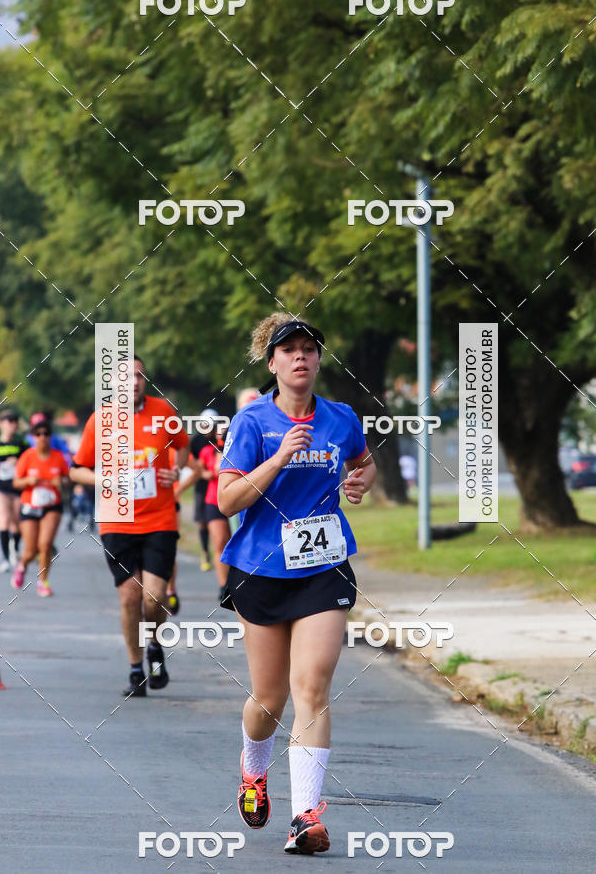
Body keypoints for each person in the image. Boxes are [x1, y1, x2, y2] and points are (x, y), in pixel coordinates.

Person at [217, 313, 376, 855]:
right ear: (273, 363)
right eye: (290, 350)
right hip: (261, 568)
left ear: (318, 360)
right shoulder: (251, 422)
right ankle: (253, 768)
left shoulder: (340, 417)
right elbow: (228, 500)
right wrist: (280, 458)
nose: (301, 357)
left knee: (312, 686)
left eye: (309, 349)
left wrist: (360, 481)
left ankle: (305, 817)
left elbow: (364, 461)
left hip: (323, 567)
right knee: (270, 698)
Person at [70, 356, 189, 697]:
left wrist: (176, 471)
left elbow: (183, 447)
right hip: (117, 521)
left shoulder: (164, 412)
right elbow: (76, 469)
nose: (134, 382)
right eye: (126, 377)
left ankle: (154, 644)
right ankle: (136, 669)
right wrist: (102, 479)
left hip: (160, 518)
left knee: (155, 597)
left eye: (139, 376)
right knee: (129, 596)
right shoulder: (100, 420)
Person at [11, 418, 69, 596]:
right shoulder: (27, 456)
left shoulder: (58, 457)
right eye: (38, 434)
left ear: (50, 437)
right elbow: (16, 482)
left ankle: (43, 581)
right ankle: (22, 564)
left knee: (45, 544)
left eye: (46, 434)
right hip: (30, 505)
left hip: (52, 505)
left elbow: (68, 480)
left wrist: (62, 481)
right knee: (31, 551)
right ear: (34, 437)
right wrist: (28, 480)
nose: (42, 437)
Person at [165, 447, 201, 615]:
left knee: (168, 550)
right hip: (140, 511)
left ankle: (170, 589)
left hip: (169, 507)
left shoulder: (172, 450)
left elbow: (196, 470)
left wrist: (177, 491)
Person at [199, 421, 231, 602]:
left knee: (235, 541)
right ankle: (223, 585)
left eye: (225, 431)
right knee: (220, 542)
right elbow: (200, 470)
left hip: (236, 499)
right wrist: (207, 474)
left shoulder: (236, 449)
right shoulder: (207, 451)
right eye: (219, 431)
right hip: (213, 500)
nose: (221, 434)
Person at [0, 409, 28, 573]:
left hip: (17, 488)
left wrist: (18, 462)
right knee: (4, 519)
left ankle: (14, 549)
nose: (12, 424)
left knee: (16, 523)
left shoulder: (21, 443)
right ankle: (5, 558)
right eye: (9, 420)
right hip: (0, 488)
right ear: (0, 423)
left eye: (15, 421)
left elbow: (30, 461)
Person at [190, 409, 217, 571]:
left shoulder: (218, 439)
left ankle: (219, 552)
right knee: (202, 522)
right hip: (201, 485)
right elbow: (190, 462)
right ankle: (205, 552)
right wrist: (202, 473)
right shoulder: (196, 441)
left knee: (216, 522)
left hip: (217, 485)